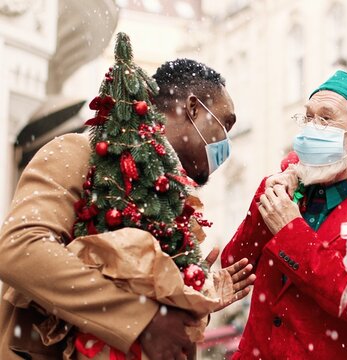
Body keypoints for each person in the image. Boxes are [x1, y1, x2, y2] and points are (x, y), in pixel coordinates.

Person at [0, 59, 255, 360]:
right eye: (225, 125)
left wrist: (195, 297)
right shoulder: (79, 153)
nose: (225, 144)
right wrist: (142, 320)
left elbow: (162, 329)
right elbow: (19, 249)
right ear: (193, 108)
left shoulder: (174, 206)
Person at [221, 70, 347, 359]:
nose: (310, 128)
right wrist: (265, 201)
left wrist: (291, 232)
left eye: (326, 118)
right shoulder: (290, 193)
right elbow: (234, 264)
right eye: (308, 117)